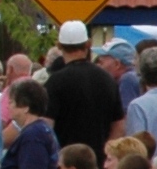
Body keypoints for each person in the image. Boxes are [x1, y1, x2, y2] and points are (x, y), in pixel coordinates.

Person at [42, 21, 125, 152]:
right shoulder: (107, 79)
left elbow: (46, 126)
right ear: (88, 44)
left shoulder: (54, 82)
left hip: (67, 164)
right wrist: (106, 153)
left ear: (59, 46)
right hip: (98, 163)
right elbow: (119, 126)